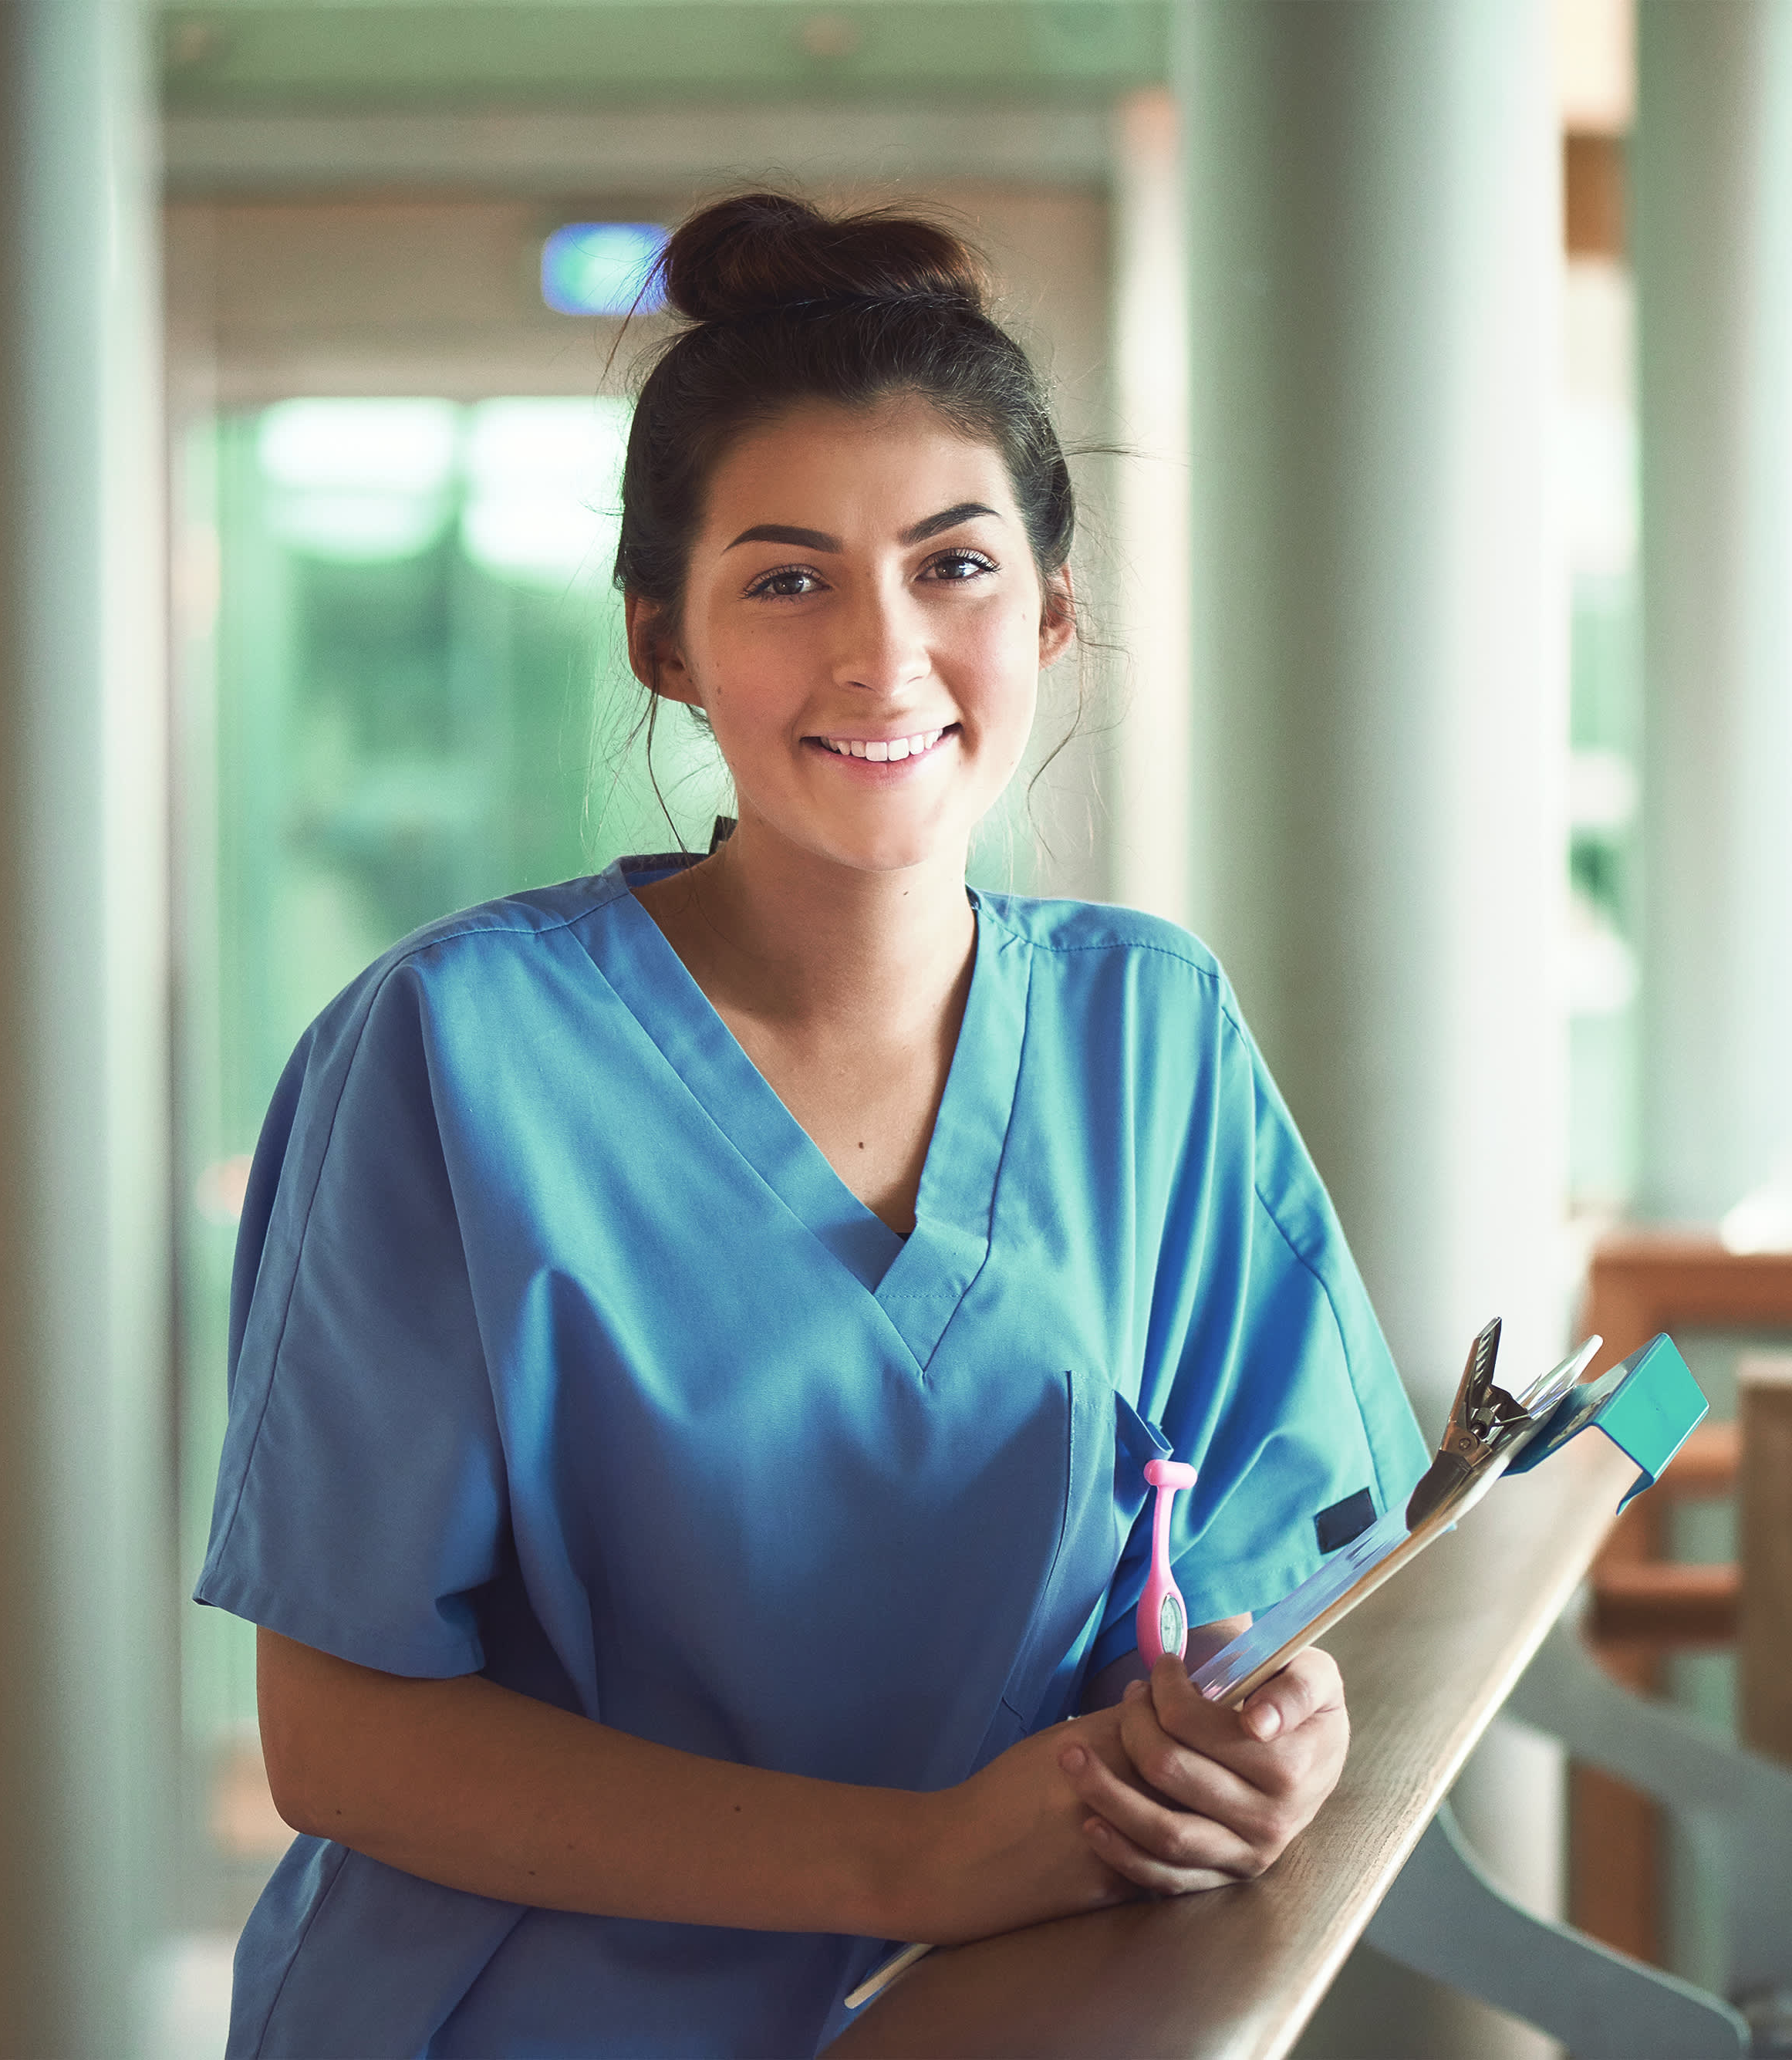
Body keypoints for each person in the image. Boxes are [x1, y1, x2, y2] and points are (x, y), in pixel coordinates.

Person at [195, 191, 1430, 2059]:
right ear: (661, 645)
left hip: (1016, 2012)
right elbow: (340, 1739)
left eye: (954, 568)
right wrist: (910, 1863)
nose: (881, 657)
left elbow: (1278, 1596)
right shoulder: (448, 1056)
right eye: (785, 580)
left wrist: (1278, 1744)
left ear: (1054, 611)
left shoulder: (1147, 1031)